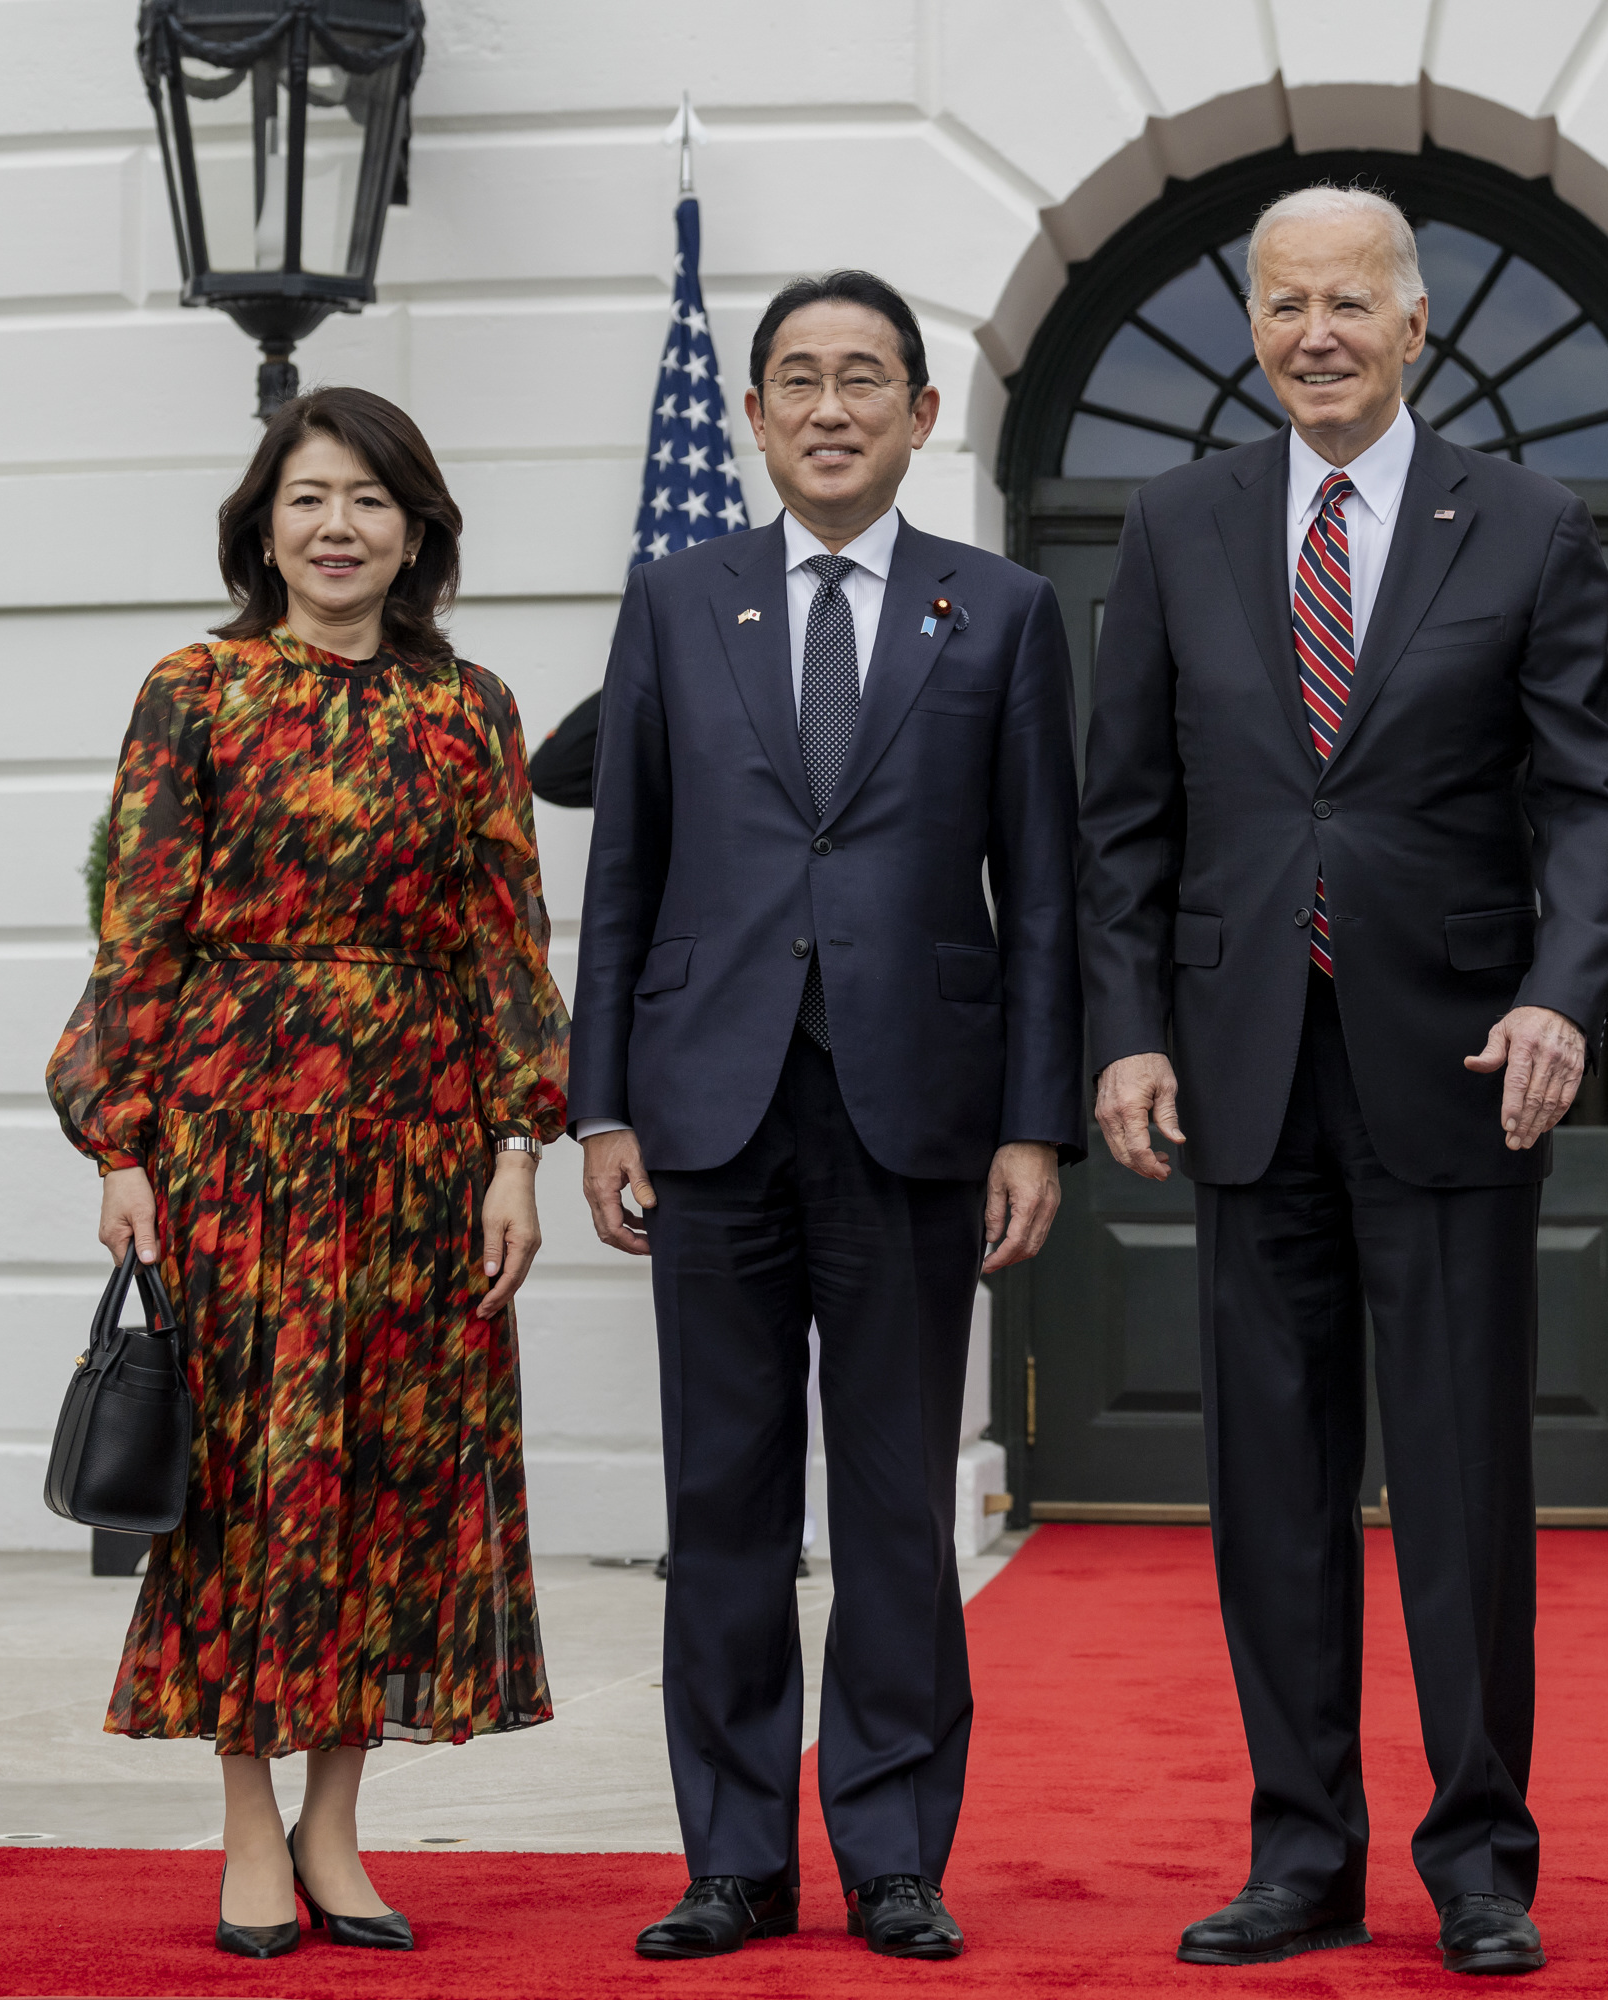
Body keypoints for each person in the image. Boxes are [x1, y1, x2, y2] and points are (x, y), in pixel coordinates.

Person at [1080, 185, 1608, 1979]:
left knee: (1467, 1486)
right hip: (1246, 1067)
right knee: (1272, 1487)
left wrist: (1566, 994)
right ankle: (1302, 1850)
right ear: (1255, 327)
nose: (1314, 331)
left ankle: (1482, 1859)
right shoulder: (1176, 524)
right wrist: (1126, 1026)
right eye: (1283, 303)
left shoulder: (1535, 524)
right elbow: (1125, 821)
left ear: (1418, 327)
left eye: (1350, 303)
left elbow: (1593, 803)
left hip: (1463, 1067)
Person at [569, 269, 1083, 1964]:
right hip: (707, 1112)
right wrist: (601, 1110)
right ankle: (730, 1854)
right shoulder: (675, 603)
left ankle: (891, 1856)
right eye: (796, 377)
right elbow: (623, 874)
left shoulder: (997, 612)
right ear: (757, 416)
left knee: (892, 1506)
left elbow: (1047, 890)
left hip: (917, 1114)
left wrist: (1035, 1125)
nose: (830, 405)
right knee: (720, 1503)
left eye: (866, 376)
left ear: (923, 415)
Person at [47, 386, 567, 1959]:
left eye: (371, 502)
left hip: (419, 1145)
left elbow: (505, 945)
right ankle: (247, 1828)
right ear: (262, 525)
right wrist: (119, 1140)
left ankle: (339, 1827)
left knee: (394, 1484)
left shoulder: (470, 709)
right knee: (252, 1492)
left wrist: (517, 1149)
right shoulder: (192, 691)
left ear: (416, 533)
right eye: (308, 499)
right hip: (234, 1142)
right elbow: (138, 928)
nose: (338, 528)